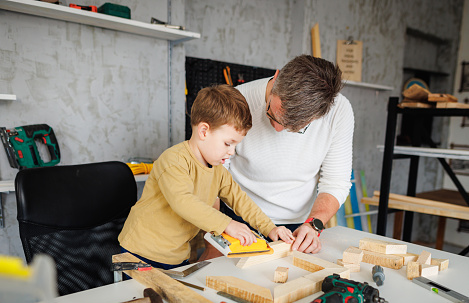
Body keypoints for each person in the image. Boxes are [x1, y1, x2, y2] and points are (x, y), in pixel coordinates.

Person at [118, 84, 295, 269]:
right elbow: (183, 202)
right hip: (140, 252)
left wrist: (270, 228)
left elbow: (240, 200)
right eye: (228, 143)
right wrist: (228, 224)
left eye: (235, 145)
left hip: (177, 257)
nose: (232, 152)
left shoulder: (218, 170)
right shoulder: (173, 161)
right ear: (204, 131)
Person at [219, 55, 354, 255]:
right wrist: (217, 225)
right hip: (237, 220)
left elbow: (335, 182)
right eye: (271, 114)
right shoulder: (238, 100)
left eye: (294, 128)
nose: (277, 129)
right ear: (277, 77)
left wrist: (313, 225)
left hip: (298, 226)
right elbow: (214, 170)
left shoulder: (338, 112)